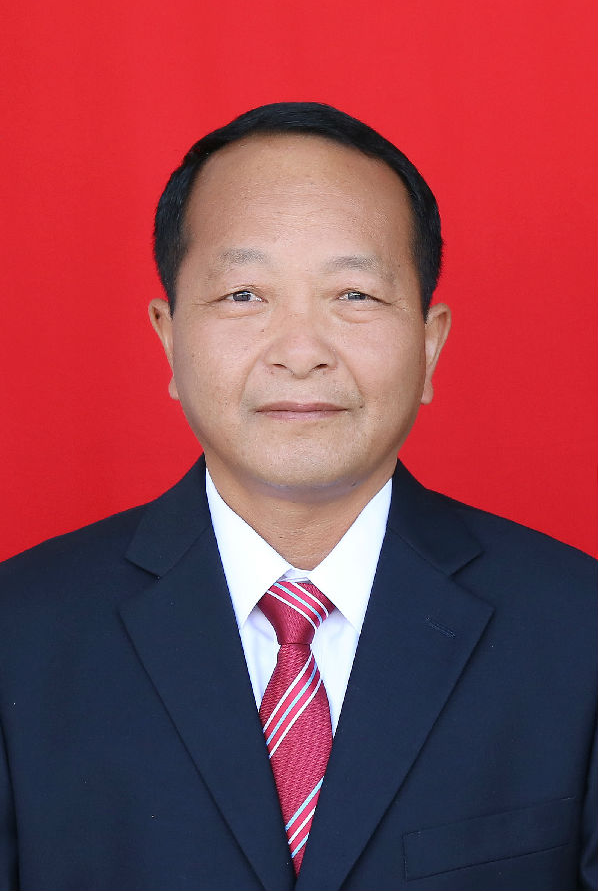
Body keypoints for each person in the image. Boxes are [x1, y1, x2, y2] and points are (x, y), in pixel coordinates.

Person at [0, 102, 595, 891]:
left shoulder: (578, 630)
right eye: (245, 294)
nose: (301, 351)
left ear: (429, 343)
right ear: (169, 337)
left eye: (355, 294)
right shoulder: (19, 635)